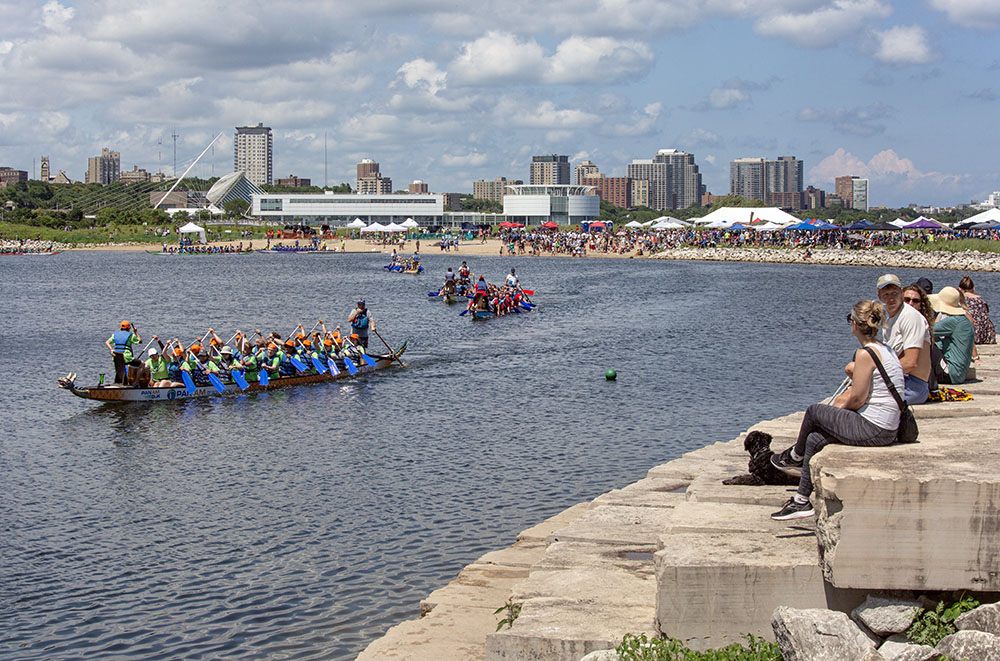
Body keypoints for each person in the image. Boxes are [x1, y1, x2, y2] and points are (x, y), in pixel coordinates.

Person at [770, 300, 903, 520]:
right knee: (814, 438)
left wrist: (839, 411)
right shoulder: (885, 349)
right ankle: (801, 501)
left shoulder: (865, 354)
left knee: (815, 412)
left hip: (875, 428)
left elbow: (858, 398)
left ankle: (795, 456)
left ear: (854, 324)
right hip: (887, 426)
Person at [874, 274, 931, 404]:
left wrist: (874, 374)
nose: (891, 298)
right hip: (899, 379)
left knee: (858, 397)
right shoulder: (889, 321)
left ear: (901, 292)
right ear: (879, 296)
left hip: (913, 385)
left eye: (894, 293)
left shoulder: (910, 317)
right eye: (886, 294)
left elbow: (911, 362)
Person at [929, 286, 976, 384]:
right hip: (959, 374)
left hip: (950, 373)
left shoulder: (953, 321)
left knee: (924, 344)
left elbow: (925, 330)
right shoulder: (963, 320)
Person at [958, 275, 996, 345]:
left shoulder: (960, 300)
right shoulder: (981, 299)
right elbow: (986, 312)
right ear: (973, 288)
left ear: (959, 288)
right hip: (985, 334)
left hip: (970, 333)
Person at [105, 320, 141, 385]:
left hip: (116, 357)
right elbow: (140, 341)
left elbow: (107, 342)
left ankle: (121, 382)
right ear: (129, 328)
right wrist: (136, 332)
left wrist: (111, 350)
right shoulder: (131, 335)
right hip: (127, 358)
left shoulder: (115, 335)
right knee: (142, 365)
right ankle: (136, 382)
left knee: (120, 369)